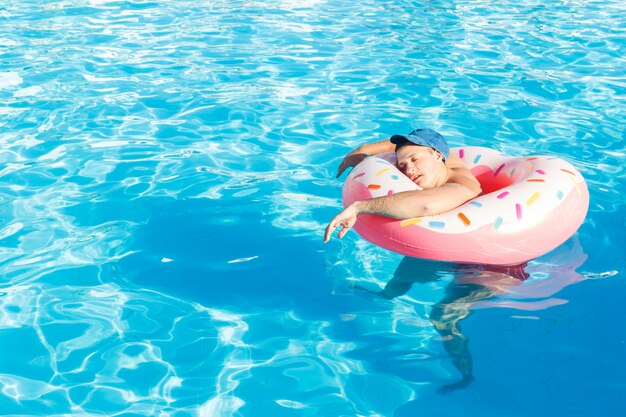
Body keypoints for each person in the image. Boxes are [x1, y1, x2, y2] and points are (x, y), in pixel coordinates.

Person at [324, 128, 482, 243]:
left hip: (480, 255)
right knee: (399, 282)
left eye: (414, 160)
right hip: (436, 241)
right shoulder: (442, 159)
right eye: (402, 165)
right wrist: (365, 149)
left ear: (437, 155)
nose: (409, 170)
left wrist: (357, 207)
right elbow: (411, 148)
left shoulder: (462, 186)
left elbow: (425, 205)